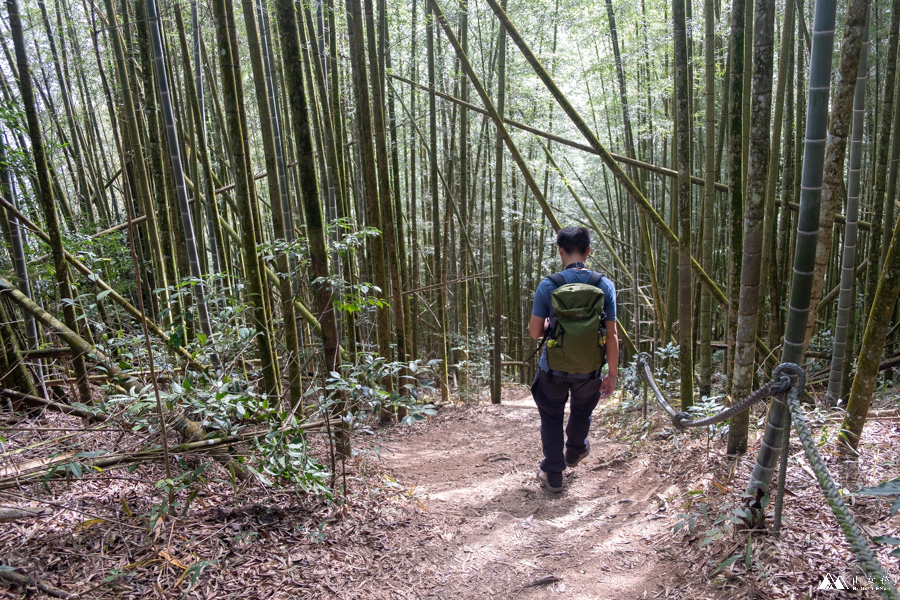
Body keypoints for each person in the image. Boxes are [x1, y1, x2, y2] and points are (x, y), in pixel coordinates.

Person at [528, 226, 618, 493]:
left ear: (560, 250)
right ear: (589, 251)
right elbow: (611, 335)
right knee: (581, 411)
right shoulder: (604, 284)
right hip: (589, 369)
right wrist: (611, 374)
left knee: (552, 417)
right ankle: (576, 449)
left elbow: (535, 333)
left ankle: (554, 474)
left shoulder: (549, 285)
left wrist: (548, 324)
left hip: (553, 368)